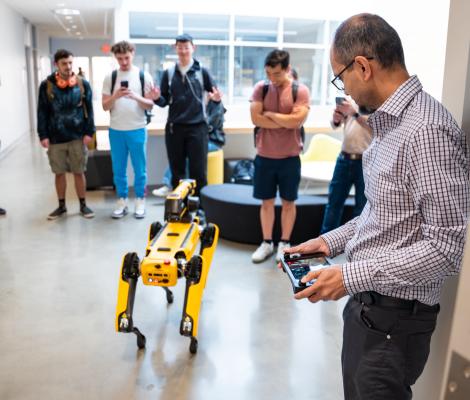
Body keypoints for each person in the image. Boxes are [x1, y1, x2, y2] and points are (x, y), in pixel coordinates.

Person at [286, 13, 469, 399]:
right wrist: (328, 242)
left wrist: (350, 276)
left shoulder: (426, 131)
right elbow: (383, 212)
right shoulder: (389, 124)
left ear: (364, 67)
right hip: (371, 308)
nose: (345, 90)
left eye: (341, 77)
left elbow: (446, 248)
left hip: (395, 321)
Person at [250, 50, 310, 263]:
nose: (271, 79)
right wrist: (286, 119)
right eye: (268, 73)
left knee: (288, 203)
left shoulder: (299, 90)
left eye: (276, 74)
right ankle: (267, 243)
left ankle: (284, 243)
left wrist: (272, 115)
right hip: (264, 156)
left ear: (287, 69)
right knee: (266, 203)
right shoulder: (261, 88)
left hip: (290, 158)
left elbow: (297, 122)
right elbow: (256, 119)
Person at [148, 33, 222, 197]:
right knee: (177, 173)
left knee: (199, 173)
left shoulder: (202, 71)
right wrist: (156, 98)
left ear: (193, 48)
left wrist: (216, 99)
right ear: (175, 49)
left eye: (186, 47)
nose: (183, 51)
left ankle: (201, 209)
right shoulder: (168, 73)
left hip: (198, 128)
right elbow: (164, 101)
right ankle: (179, 208)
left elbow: (215, 96)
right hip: (175, 129)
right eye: (179, 47)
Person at [37, 49, 95, 220]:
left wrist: (89, 131)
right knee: (59, 172)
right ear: (57, 64)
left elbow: (89, 110)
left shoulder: (82, 83)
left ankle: (83, 205)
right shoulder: (46, 85)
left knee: (79, 171)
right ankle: (61, 206)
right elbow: (42, 111)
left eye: (70, 62)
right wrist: (43, 135)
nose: (68, 67)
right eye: (64, 63)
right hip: (55, 137)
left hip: (77, 136)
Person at [102, 41, 154, 219]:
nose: (123, 62)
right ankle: (121, 201)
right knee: (119, 169)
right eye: (119, 58)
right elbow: (104, 106)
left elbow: (149, 105)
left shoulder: (143, 76)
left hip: (137, 129)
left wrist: (135, 96)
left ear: (133, 53)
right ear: (115, 58)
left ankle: (140, 200)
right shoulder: (111, 77)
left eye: (126, 57)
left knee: (140, 169)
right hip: (116, 130)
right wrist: (116, 95)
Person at [320, 97, 372, 234]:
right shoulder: (350, 101)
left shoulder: (374, 101)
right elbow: (335, 124)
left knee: (362, 207)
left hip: (365, 161)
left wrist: (354, 113)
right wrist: (337, 118)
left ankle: (357, 245)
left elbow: (373, 126)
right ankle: (325, 245)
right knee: (333, 204)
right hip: (344, 158)